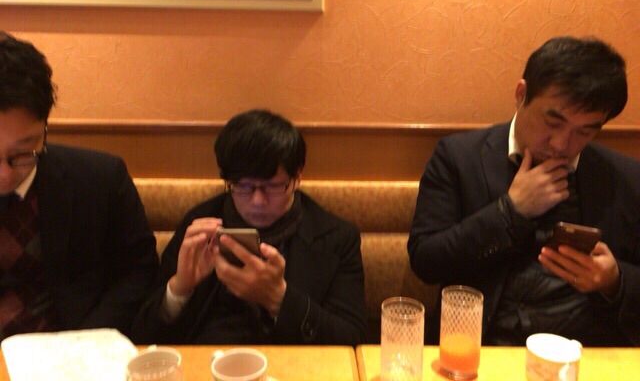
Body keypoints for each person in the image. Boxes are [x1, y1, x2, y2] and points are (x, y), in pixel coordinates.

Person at [408, 36, 640, 347]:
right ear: (521, 95)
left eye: (584, 131)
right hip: (483, 347)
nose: (561, 144)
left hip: (587, 352)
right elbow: (426, 260)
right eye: (553, 121)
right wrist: (510, 212)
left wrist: (615, 281)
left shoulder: (626, 178)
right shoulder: (459, 158)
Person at [131, 109, 366, 345]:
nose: (257, 201)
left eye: (272, 187)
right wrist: (179, 290)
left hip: (291, 363)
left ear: (297, 176)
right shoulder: (200, 225)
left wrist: (279, 299)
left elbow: (351, 340)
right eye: (243, 187)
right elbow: (141, 337)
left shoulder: (337, 238)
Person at [0, 32, 158, 341]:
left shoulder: (100, 179)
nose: (4, 175)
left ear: (45, 128)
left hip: (76, 352)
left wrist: (84, 343)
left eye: (23, 152)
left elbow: (139, 271)